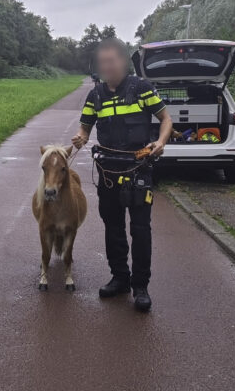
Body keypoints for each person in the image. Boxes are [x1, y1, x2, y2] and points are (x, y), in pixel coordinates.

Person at [71, 38, 172, 311]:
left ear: (123, 62)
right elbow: (85, 128)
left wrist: (160, 142)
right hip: (107, 174)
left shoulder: (142, 89)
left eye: (112, 61)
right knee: (113, 228)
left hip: (139, 171)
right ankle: (120, 278)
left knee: (140, 230)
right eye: (103, 62)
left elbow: (166, 119)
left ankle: (141, 287)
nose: (107, 66)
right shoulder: (95, 96)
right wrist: (80, 137)